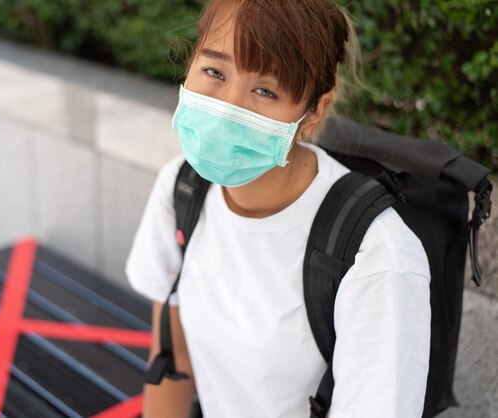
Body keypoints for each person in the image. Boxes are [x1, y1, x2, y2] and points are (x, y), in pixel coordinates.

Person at [125, 0, 432, 417]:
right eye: (215, 71)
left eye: (265, 91)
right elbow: (170, 359)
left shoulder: (376, 255)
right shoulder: (182, 188)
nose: (229, 106)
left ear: (312, 112)